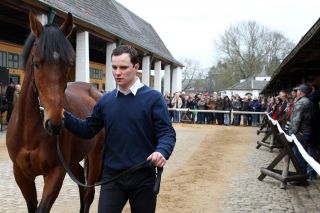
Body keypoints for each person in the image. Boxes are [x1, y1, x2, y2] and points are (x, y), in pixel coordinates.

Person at [63, 45, 176, 212]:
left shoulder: (154, 98)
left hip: (143, 177)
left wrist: (162, 151)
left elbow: (167, 133)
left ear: (136, 67)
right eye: (114, 67)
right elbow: (88, 129)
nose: (117, 72)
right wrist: (64, 116)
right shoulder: (105, 101)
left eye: (123, 67)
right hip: (112, 178)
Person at [289, 83, 316, 180]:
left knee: (298, 155)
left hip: (301, 133)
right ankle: (301, 175)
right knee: (300, 153)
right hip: (305, 131)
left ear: (301, 92)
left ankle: (300, 177)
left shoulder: (301, 102)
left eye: (297, 91)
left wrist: (292, 133)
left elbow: (296, 120)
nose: (296, 92)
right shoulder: (307, 101)